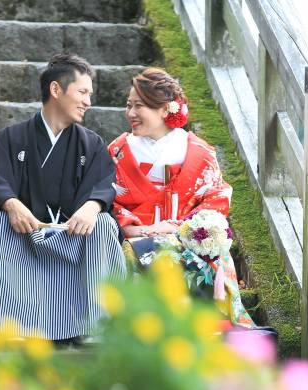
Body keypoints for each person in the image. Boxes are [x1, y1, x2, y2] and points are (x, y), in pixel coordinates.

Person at [0, 53, 126, 340]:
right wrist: (12, 204)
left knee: (103, 224)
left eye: (89, 94)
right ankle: (11, 324)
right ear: (56, 89)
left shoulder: (91, 144)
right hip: (24, 236)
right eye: (82, 92)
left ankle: (96, 323)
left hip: (74, 238)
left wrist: (92, 206)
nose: (88, 101)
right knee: (1, 222)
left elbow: (104, 183)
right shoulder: (11, 138)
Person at [107, 67, 254, 327]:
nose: (130, 113)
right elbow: (106, 199)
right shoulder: (118, 151)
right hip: (131, 237)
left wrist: (182, 228)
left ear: (165, 109)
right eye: (128, 105)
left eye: (139, 106)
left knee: (211, 253)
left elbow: (215, 199)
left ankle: (205, 324)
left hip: (186, 237)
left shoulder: (199, 152)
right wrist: (134, 229)